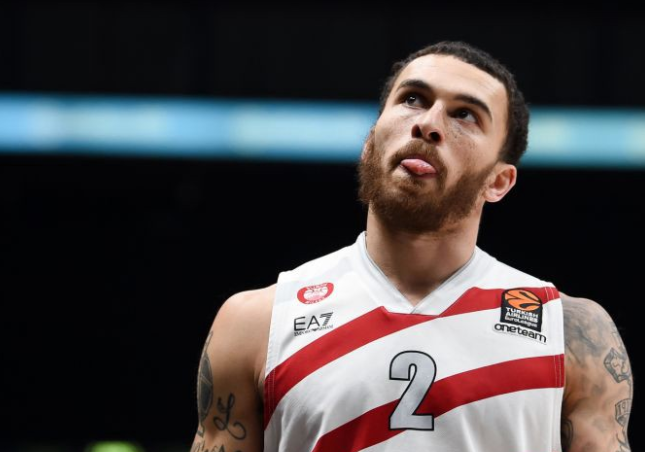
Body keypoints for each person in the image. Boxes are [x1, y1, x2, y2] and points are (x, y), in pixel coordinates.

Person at [189, 41, 633, 452]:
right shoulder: (256, 323)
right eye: (413, 99)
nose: (428, 123)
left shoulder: (572, 333)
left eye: (465, 114)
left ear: (498, 181)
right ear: (370, 144)